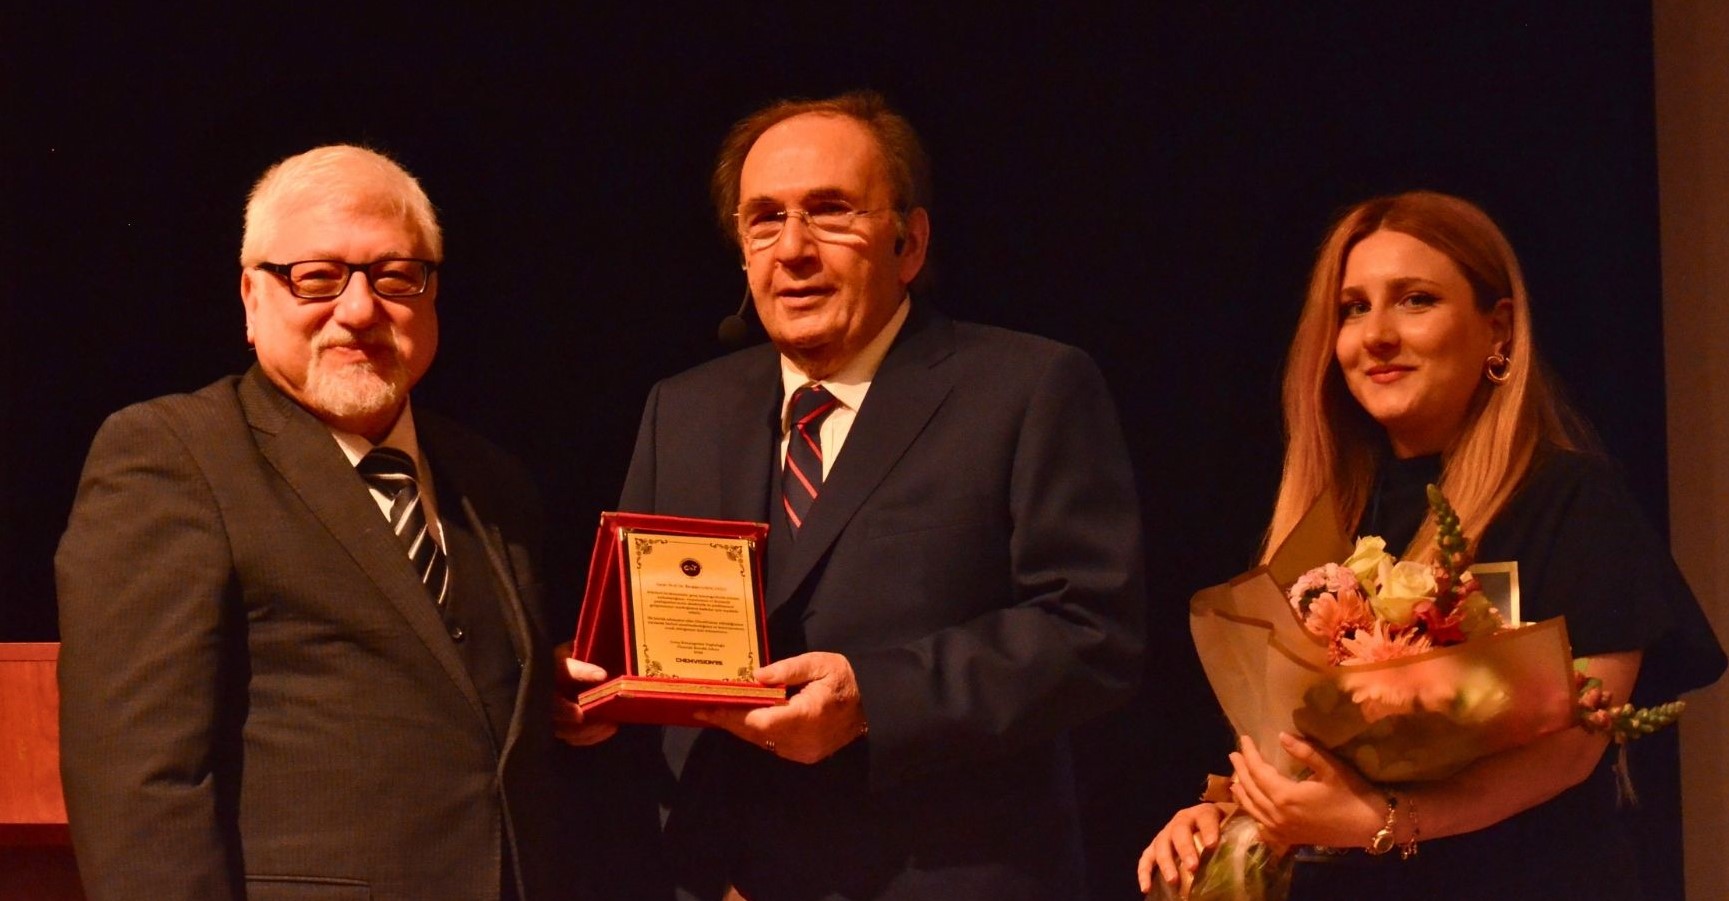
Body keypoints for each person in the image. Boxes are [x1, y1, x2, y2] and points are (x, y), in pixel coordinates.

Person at [611, 90, 1146, 899]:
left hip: (941, 876)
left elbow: (1091, 630)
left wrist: (874, 699)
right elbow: (642, 632)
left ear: (909, 241)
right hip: (722, 878)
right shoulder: (680, 410)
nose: (793, 249)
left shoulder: (1027, 387)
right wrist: (588, 695)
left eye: (830, 212)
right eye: (764, 220)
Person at [1137, 191, 1726, 900]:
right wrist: (1231, 811)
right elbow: (1296, 745)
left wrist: (1385, 820)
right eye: (1353, 308)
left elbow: (1572, 746)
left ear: (1497, 329)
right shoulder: (1325, 519)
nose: (1376, 335)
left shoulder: (1569, 500)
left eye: (1415, 300)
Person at [56, 144, 588, 900]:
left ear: (432, 295)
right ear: (251, 297)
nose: (360, 309)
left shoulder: (493, 480)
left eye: (395, 276)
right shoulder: (173, 455)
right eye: (316, 277)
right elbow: (137, 784)